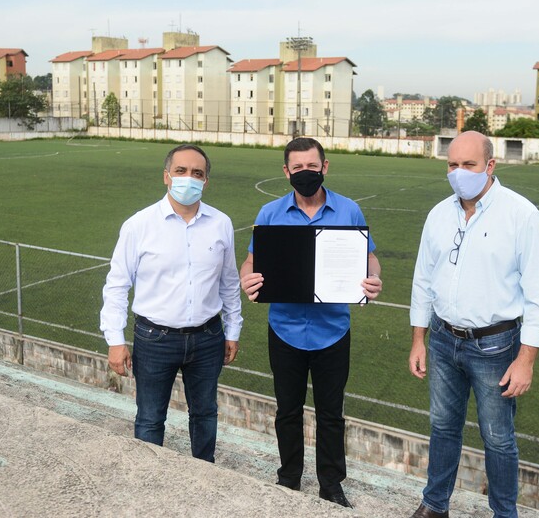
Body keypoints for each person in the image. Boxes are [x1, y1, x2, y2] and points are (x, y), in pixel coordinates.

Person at [407, 131, 539, 518]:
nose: (458, 173)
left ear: (490, 165)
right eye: (452, 165)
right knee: (442, 427)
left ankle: (504, 514)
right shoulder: (439, 214)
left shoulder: (522, 216)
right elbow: (423, 279)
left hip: (496, 346)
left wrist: (526, 360)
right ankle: (435, 504)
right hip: (441, 339)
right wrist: (418, 339)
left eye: (468, 165)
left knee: (498, 439)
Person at [240, 137, 383, 508]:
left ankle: (331, 483)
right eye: (297, 168)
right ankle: (288, 477)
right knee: (287, 409)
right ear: (286, 172)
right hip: (284, 328)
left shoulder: (349, 210)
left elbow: (369, 258)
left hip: (333, 330)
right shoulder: (270, 212)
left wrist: (372, 280)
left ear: (325, 166)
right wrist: (247, 278)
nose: (306, 173)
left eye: (312, 166)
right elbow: (252, 260)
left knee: (331, 414)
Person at [100, 144, 242, 463]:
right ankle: (151, 477)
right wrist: (114, 340)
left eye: (197, 173)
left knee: (205, 414)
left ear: (206, 181)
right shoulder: (139, 225)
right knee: (150, 418)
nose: (188, 178)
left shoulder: (221, 224)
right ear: (166, 176)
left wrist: (232, 330)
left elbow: (229, 282)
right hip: (155, 339)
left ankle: (203, 473)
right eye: (181, 171)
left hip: (208, 338)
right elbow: (117, 284)